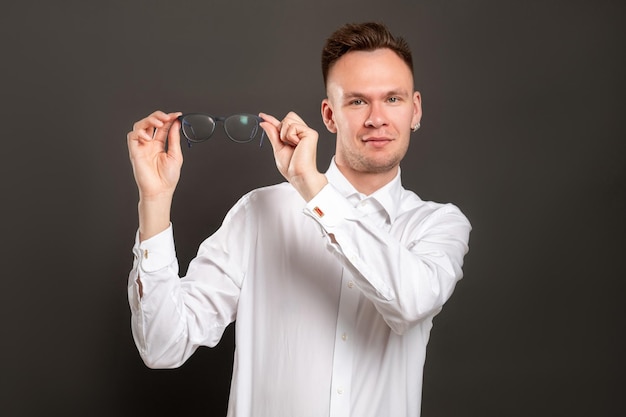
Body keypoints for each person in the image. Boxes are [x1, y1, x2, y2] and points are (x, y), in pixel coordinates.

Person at [126, 22, 471, 417]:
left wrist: (313, 188)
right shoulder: (260, 214)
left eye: (392, 98)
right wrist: (154, 200)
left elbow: (410, 302)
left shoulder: (439, 225)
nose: (377, 118)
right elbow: (162, 345)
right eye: (357, 101)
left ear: (415, 109)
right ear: (329, 115)